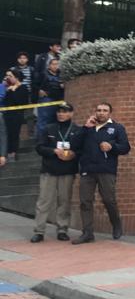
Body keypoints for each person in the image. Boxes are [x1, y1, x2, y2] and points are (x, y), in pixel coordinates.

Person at [74, 102, 130, 244]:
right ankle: (87, 233)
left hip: (106, 170)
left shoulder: (117, 128)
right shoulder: (88, 128)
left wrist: (112, 146)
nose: (101, 113)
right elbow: (74, 144)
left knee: (108, 200)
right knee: (85, 201)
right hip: (88, 170)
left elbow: (125, 148)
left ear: (110, 113)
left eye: (105, 110)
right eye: (99, 110)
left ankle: (116, 224)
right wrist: (85, 128)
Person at [32, 103, 84, 243]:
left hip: (67, 171)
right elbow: (39, 147)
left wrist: (73, 154)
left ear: (71, 114)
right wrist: (53, 151)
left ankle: (62, 230)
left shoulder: (77, 130)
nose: (61, 114)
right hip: (49, 170)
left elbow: (81, 150)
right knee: (44, 201)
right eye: (59, 112)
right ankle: (39, 231)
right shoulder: (48, 128)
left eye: (65, 112)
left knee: (64, 201)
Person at [2, 68, 30, 161]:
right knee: (7, 133)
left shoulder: (23, 88)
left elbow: (22, 102)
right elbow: (5, 102)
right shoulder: (7, 88)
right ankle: (6, 153)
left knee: (14, 133)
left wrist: (14, 91)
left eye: (10, 76)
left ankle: (13, 153)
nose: (8, 78)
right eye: (7, 76)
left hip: (17, 115)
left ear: (16, 77)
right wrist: (8, 90)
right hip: (7, 114)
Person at [34, 57, 64, 141]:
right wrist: (39, 91)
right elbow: (35, 84)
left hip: (58, 100)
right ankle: (41, 140)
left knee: (56, 120)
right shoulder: (43, 74)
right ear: (49, 66)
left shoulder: (61, 75)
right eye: (53, 64)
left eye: (57, 64)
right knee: (43, 122)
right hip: (46, 100)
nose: (55, 66)